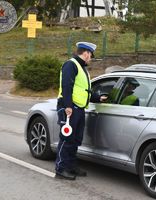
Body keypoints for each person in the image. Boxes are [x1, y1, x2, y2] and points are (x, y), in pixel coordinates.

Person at [55, 41, 96, 180]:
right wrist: (68, 106)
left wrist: (97, 96)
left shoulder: (81, 67)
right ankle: (61, 169)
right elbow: (67, 86)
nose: (90, 58)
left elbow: (83, 89)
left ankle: (71, 166)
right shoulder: (71, 64)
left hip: (78, 109)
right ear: (86, 53)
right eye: (90, 55)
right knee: (67, 139)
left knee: (75, 139)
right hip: (69, 108)